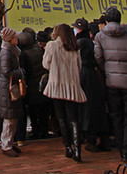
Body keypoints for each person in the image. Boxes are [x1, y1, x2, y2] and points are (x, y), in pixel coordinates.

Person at [94, 6, 127, 164]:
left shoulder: (99, 37)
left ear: (106, 20)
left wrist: (108, 71)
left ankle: (122, 149)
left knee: (116, 115)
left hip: (112, 81)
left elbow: (99, 58)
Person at [42, 23, 87, 163]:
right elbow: (79, 66)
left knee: (61, 117)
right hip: (72, 85)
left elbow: (45, 64)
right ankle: (78, 149)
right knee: (74, 118)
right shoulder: (74, 47)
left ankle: (68, 147)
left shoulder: (52, 45)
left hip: (57, 84)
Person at [75, 18, 110, 152]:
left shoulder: (80, 43)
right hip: (94, 75)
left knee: (87, 107)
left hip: (84, 75)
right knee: (97, 106)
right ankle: (104, 138)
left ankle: (91, 140)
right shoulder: (92, 42)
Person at [0, 27, 24, 157]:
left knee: (12, 118)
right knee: (9, 119)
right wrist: (21, 72)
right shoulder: (6, 52)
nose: (16, 38)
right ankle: (6, 145)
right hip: (8, 87)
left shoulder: (11, 50)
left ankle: (9, 143)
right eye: (14, 37)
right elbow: (6, 71)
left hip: (9, 87)